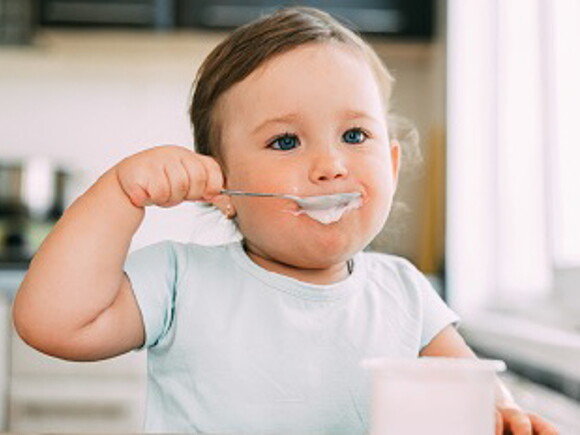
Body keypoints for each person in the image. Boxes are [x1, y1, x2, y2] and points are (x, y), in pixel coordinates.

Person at [12, 6, 557, 435]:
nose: (330, 165)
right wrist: (118, 195)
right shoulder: (181, 281)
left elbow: (471, 392)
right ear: (221, 189)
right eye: (286, 141)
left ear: (389, 166)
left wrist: (506, 413)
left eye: (354, 135)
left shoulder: (406, 295)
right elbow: (51, 323)